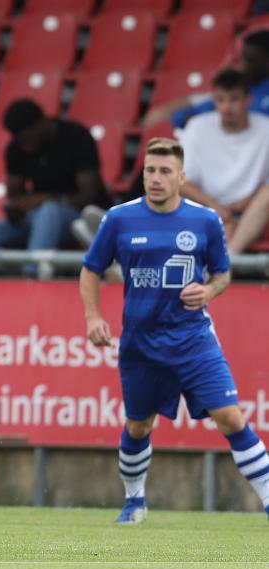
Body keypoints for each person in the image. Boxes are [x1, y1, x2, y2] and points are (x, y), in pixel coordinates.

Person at [79, 137, 269, 525]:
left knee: (231, 417)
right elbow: (91, 269)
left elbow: (222, 274)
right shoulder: (119, 219)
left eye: (165, 171)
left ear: (181, 177)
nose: (156, 178)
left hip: (193, 339)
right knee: (138, 424)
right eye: (150, 170)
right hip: (141, 343)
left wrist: (209, 289)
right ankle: (135, 502)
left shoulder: (205, 220)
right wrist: (92, 316)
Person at [0, 99, 108, 276]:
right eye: (19, 139)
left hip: (79, 215)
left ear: (40, 124)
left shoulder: (76, 137)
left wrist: (42, 200)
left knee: (49, 211)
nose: (24, 144)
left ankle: (32, 276)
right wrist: (14, 208)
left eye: (26, 137)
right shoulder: (16, 147)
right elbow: (15, 197)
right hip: (37, 217)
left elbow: (89, 195)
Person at [178, 68, 269, 254]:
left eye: (234, 99)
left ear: (248, 100)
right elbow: (182, 181)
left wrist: (249, 201)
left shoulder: (266, 128)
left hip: (252, 210)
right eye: (220, 100)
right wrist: (215, 206)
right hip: (207, 207)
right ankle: (228, 260)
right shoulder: (197, 126)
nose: (227, 107)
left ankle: (229, 258)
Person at [143, 30, 269, 130]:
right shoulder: (244, 86)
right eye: (243, 58)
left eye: (250, 60)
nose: (243, 65)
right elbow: (188, 114)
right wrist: (189, 118)